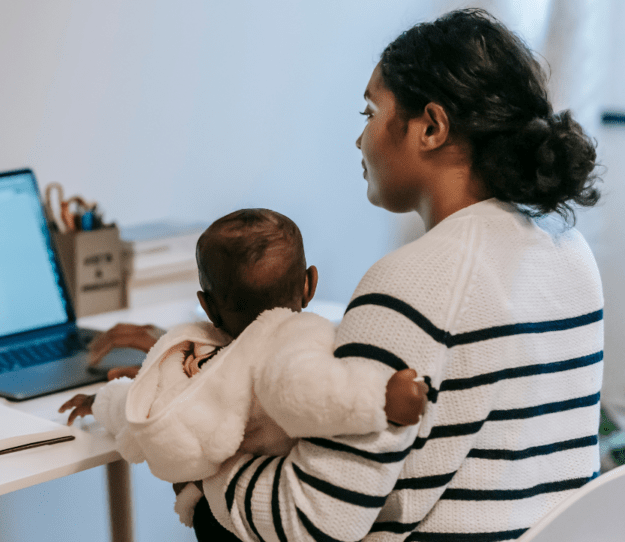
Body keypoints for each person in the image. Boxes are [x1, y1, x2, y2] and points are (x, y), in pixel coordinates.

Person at [87, 8, 604, 542]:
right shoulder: (567, 250)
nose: (360, 140)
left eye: (370, 112)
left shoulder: (416, 280)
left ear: (430, 126)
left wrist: (195, 451)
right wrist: (221, 364)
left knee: (207, 512)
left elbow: (312, 520)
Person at [61, 208, 427, 527]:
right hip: (261, 507)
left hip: (225, 507)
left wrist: (100, 402)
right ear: (310, 284)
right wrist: (382, 397)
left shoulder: (198, 364)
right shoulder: (295, 346)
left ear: (207, 306)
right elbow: (316, 393)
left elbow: (143, 411)